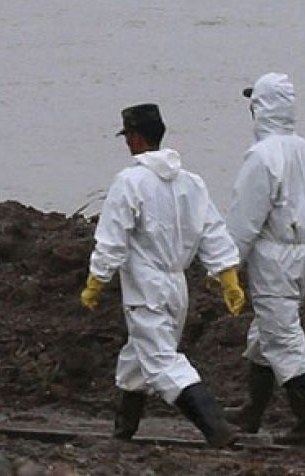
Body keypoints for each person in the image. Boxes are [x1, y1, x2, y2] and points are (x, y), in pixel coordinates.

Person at [81, 104, 244, 449]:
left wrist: (96, 280)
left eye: (127, 136)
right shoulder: (191, 183)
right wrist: (227, 274)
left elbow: (112, 238)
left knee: (161, 361)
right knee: (137, 355)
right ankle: (124, 430)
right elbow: (212, 230)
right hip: (176, 285)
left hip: (146, 287)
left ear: (135, 138)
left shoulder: (130, 181)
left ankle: (216, 428)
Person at [225, 74, 305, 448]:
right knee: (266, 332)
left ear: (260, 108)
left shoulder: (262, 157)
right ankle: (252, 411)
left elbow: (244, 219)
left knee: (282, 336)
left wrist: (225, 266)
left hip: (275, 258)